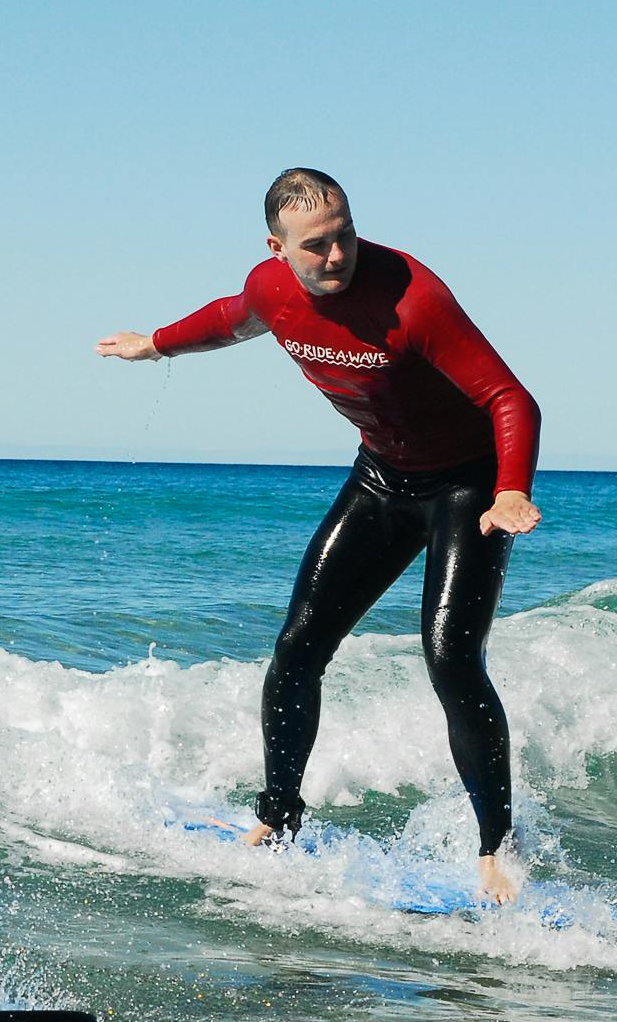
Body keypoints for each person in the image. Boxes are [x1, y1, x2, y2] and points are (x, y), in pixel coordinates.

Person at [97, 168, 542, 905]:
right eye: (317, 246)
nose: (337, 256)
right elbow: (230, 318)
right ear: (277, 248)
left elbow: (510, 398)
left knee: (450, 657)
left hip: (470, 485)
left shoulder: (414, 297)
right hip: (381, 479)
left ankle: (497, 846)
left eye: (346, 236)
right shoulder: (271, 289)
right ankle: (279, 819)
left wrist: (511, 487)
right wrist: (158, 344)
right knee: (299, 644)